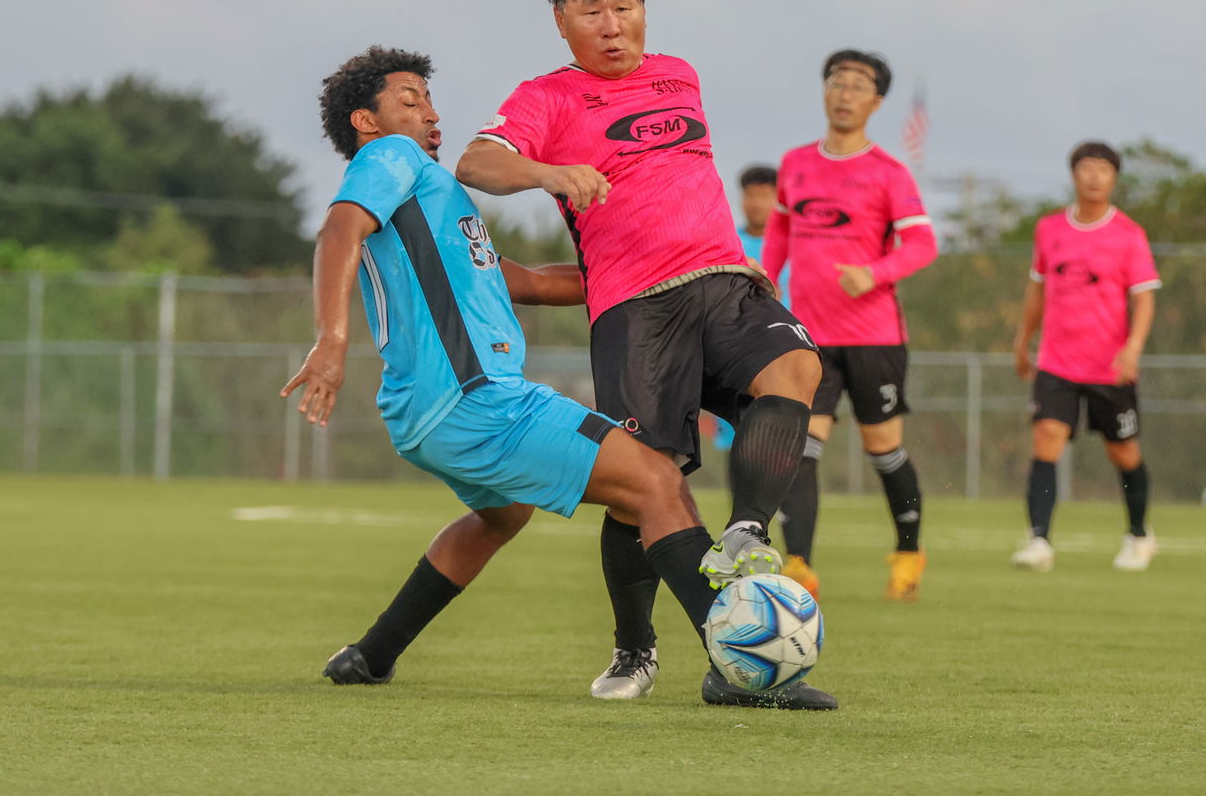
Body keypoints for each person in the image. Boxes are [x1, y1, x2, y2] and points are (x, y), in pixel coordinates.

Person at [290, 45, 832, 709]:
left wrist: (664, 262)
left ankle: (372, 655)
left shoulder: (432, 204)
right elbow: (338, 230)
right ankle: (735, 669)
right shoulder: (388, 159)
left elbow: (530, 282)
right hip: (477, 399)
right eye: (409, 101)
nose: (431, 114)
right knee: (655, 480)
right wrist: (331, 339)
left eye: (430, 100)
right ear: (365, 122)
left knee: (499, 517)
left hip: (425, 415)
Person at [456, 0, 830, 706]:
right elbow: (475, 163)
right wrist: (547, 171)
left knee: (798, 371)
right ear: (561, 19)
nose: (613, 23)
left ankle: (748, 533)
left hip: (725, 280)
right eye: (592, 9)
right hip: (635, 305)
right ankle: (635, 648)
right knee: (644, 482)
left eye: (625, 5)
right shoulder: (546, 97)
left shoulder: (679, 73)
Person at [761, 49, 938, 602]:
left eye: (858, 85)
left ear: (877, 102)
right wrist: (764, 283)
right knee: (801, 448)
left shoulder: (889, 172)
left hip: (874, 337)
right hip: (809, 336)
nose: (844, 92)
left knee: (884, 450)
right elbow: (780, 236)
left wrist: (876, 273)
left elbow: (923, 243)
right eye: (837, 81)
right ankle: (800, 566)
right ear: (824, 91)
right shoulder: (795, 163)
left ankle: (908, 554)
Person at [1011, 142, 1161, 572]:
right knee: (1046, 440)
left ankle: (1138, 535)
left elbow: (1145, 300)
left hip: (1109, 368)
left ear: (1114, 178)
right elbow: (1037, 290)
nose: (1094, 176)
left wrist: (1132, 348)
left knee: (1124, 453)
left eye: (1102, 169)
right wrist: (1023, 341)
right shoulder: (1049, 229)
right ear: (1073, 175)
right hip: (1056, 362)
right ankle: (1038, 540)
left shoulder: (1128, 234)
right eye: (1086, 168)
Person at [717, 166, 819, 598]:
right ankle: (741, 539)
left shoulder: (797, 247)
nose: (757, 203)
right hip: (740, 361)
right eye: (750, 195)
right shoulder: (728, 242)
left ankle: (799, 561)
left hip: (789, 363)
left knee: (790, 454)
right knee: (741, 454)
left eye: (765, 195)